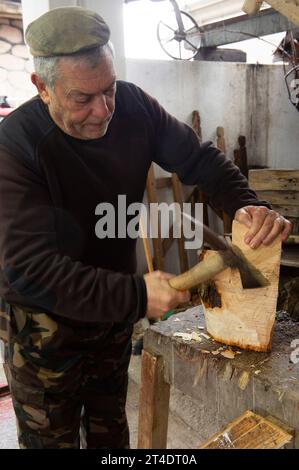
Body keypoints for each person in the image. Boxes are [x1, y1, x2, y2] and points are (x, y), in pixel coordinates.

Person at [0, 6, 291, 449]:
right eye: (83, 98)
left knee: (109, 428)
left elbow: (202, 161)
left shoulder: (134, 106)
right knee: (50, 441)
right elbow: (28, 269)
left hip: (112, 311)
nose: (103, 110)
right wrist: (137, 294)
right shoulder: (14, 148)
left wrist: (246, 206)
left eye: (109, 88)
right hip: (43, 324)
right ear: (42, 87)